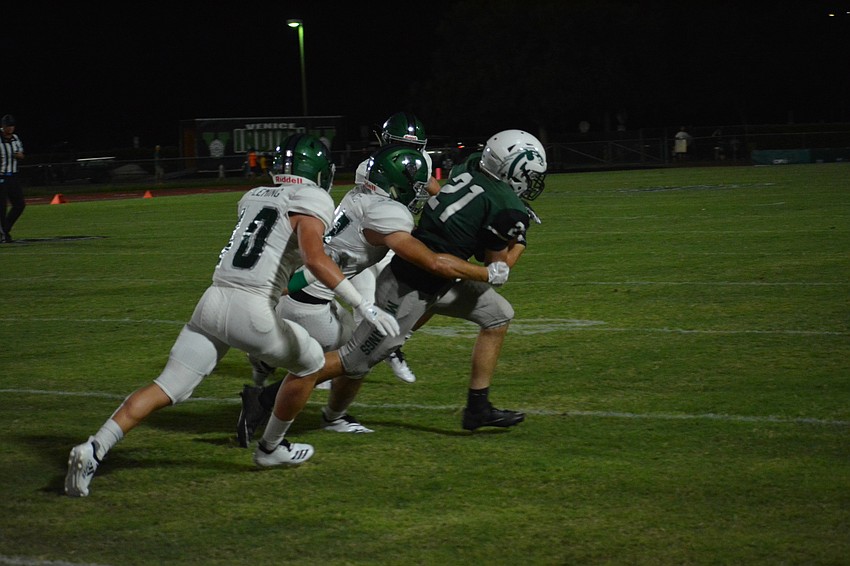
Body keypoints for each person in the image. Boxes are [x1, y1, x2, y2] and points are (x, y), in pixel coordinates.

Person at [64, 134, 400, 497]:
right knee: (311, 362)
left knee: (167, 385)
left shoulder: (253, 196)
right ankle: (271, 449)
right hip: (252, 308)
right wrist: (362, 303)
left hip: (212, 300)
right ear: (318, 170)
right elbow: (316, 259)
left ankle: (94, 448)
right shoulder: (312, 198)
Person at [250, 129, 547, 467]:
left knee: (498, 316)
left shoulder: (470, 167)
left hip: (440, 279)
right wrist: (520, 240)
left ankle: (477, 407)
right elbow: (498, 267)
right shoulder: (506, 207)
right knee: (354, 360)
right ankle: (266, 399)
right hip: (412, 285)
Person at [358, 112, 440, 383]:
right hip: (372, 237)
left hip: (401, 233)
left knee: (426, 291)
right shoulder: (369, 167)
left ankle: (396, 342)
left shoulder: (423, 161)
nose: (410, 153)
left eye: (416, 147)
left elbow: (435, 191)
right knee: (370, 305)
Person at [0, 114, 26, 243]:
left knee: (20, 204)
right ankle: (3, 234)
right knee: (2, 206)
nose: (10, 128)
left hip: (13, 176)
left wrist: (19, 155)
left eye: (12, 126)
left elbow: (22, 154)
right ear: (3, 126)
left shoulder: (15, 138)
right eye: (7, 126)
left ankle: (5, 230)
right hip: (1, 176)